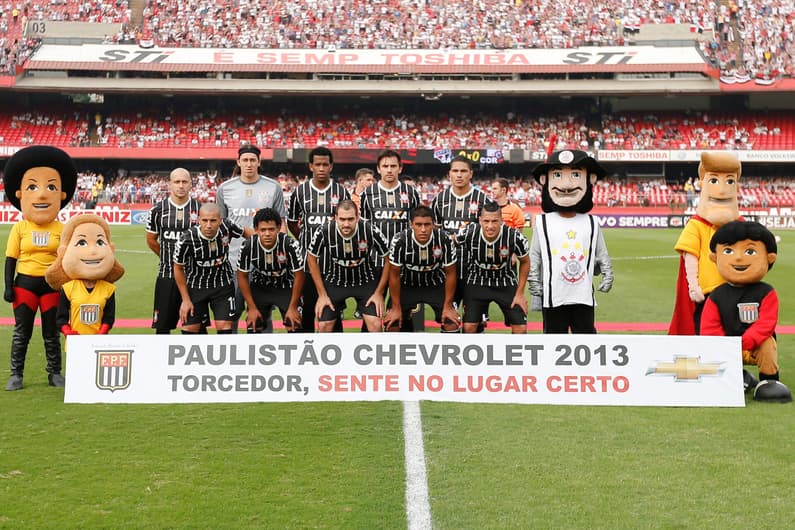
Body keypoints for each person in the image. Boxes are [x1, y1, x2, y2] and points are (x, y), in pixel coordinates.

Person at [3, 145, 77, 390]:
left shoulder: (62, 229)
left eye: (51, 187)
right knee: (21, 332)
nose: (42, 195)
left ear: (62, 195)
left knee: (51, 333)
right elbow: (10, 258)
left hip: (52, 286)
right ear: (20, 193)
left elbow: (68, 261)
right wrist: (8, 286)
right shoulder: (20, 228)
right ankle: (16, 374)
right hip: (24, 284)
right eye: (32, 187)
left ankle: (54, 373)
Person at [701, 221, 791, 402]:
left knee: (767, 343)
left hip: (755, 346)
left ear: (769, 258)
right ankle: (737, 377)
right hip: (727, 347)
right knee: (711, 346)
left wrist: (743, 343)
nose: (738, 258)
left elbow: (766, 324)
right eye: (728, 251)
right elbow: (709, 329)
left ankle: (769, 381)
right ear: (715, 257)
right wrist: (727, 347)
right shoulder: (716, 296)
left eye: (750, 251)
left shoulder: (766, 292)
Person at [529, 149, 613, 333]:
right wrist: (533, 278)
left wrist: (608, 272)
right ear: (545, 180)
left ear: (589, 179)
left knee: (586, 340)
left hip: (583, 295)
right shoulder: (543, 221)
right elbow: (535, 253)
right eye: (557, 175)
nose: (566, 185)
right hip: (553, 295)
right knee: (553, 341)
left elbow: (602, 252)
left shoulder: (592, 222)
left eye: (576, 175)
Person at [669, 151, 742, 335]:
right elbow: (690, 255)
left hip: (735, 290)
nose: (723, 189)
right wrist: (693, 286)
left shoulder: (740, 225)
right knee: (705, 332)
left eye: (730, 181)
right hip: (707, 294)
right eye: (714, 180)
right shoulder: (697, 225)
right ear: (703, 184)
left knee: (733, 333)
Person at [216, 144, 287, 332]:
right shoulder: (225, 189)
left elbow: (282, 224)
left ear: (259, 162)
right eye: (245, 160)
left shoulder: (273, 188)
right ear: (238, 162)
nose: (248, 164)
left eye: (252, 160)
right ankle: (229, 359)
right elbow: (221, 227)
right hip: (233, 263)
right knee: (231, 315)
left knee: (261, 318)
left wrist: (281, 255)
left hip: (264, 265)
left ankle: (263, 359)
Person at [287, 146, 350, 332]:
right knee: (307, 309)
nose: (321, 168)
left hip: (333, 262)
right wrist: (307, 241)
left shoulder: (341, 192)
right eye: (318, 164)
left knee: (333, 309)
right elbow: (292, 223)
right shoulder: (300, 192)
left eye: (325, 164)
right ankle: (306, 351)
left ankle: (335, 354)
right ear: (311, 166)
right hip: (307, 263)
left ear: (331, 166)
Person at [306, 199, 390, 332]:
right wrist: (322, 295)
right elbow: (311, 258)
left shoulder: (370, 229)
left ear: (357, 217)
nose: (346, 224)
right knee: (323, 326)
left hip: (365, 281)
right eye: (342, 219)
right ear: (335, 218)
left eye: (350, 219)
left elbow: (388, 258)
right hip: (335, 282)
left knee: (375, 325)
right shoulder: (324, 230)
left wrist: (379, 293)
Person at [359, 150, 421, 329]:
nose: (389, 170)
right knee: (372, 311)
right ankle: (370, 351)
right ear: (378, 169)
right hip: (374, 261)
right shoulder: (367, 195)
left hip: (403, 262)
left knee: (402, 312)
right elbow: (363, 228)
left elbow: (416, 226)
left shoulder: (410, 193)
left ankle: (404, 352)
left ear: (400, 168)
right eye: (385, 166)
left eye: (393, 166)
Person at [431, 155, 492, 329]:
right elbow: (434, 233)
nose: (459, 175)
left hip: (476, 271)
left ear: (471, 173)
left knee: (475, 324)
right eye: (455, 171)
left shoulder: (483, 199)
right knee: (448, 321)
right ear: (449, 174)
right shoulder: (439, 200)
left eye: (463, 171)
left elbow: (491, 233)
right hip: (447, 272)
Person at [173, 203, 253, 334]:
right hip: (196, 287)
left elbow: (246, 232)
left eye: (213, 221)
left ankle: (225, 354)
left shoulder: (227, 226)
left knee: (225, 326)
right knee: (190, 329)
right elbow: (178, 268)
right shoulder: (186, 239)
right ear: (198, 220)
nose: (208, 225)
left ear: (220, 220)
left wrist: (260, 243)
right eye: (204, 220)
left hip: (222, 285)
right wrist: (186, 300)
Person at [456, 201, 530, 334]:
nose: (490, 226)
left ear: (501, 220)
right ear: (480, 220)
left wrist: (520, 294)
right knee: (468, 328)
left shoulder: (514, 236)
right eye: (486, 221)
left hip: (505, 281)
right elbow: (452, 241)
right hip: (476, 281)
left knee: (521, 328)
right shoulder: (468, 233)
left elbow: (525, 261)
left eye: (495, 221)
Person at [383, 206, 459, 332]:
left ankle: (447, 350)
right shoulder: (400, 240)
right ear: (411, 224)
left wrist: (448, 306)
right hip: (407, 285)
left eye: (427, 224)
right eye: (418, 224)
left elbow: (450, 273)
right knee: (393, 324)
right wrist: (396, 308)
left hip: (435, 284)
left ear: (433, 224)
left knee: (451, 322)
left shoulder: (444, 239)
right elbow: (394, 275)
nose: (423, 229)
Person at [45, 214, 125, 336]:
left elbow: (109, 318)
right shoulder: (68, 288)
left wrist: (102, 332)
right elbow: (61, 318)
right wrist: (68, 332)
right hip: (76, 344)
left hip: (99, 345)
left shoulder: (108, 289)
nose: (93, 251)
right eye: (81, 242)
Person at [145, 168, 201, 334]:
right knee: (162, 328)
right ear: (170, 184)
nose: (181, 185)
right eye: (177, 182)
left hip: (195, 277)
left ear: (191, 184)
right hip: (167, 275)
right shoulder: (157, 210)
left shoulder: (200, 209)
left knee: (194, 329)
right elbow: (151, 240)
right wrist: (169, 259)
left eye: (184, 182)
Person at [237, 207, 304, 333]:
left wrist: (293, 306)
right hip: (260, 287)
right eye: (263, 230)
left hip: (285, 287)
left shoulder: (290, 245)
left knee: (294, 324)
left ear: (279, 228)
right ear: (256, 229)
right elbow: (242, 276)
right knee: (254, 325)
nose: (267, 234)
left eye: (271, 229)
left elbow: (299, 275)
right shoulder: (247, 246)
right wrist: (251, 308)